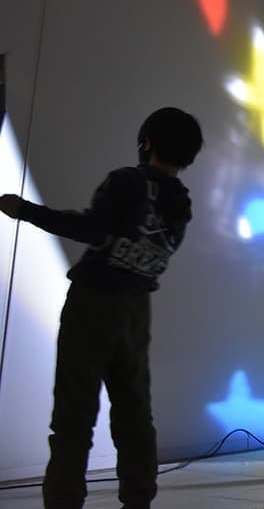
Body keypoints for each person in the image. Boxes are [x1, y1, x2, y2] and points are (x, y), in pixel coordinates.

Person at [0, 107, 203, 509]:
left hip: (92, 305)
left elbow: (89, 229)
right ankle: (138, 500)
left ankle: (64, 502)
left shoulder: (127, 181)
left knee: (73, 416)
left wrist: (24, 210)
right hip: (136, 312)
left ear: (147, 141)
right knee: (134, 414)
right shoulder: (181, 204)